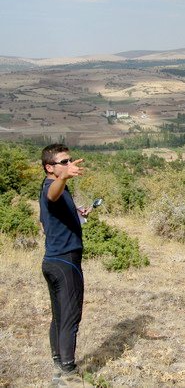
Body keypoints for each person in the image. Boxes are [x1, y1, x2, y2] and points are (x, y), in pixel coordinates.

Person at [40, 143, 91, 386]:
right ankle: (69, 374)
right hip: (65, 260)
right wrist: (64, 178)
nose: (69, 165)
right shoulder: (52, 186)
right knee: (70, 316)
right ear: (49, 168)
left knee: (60, 316)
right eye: (63, 162)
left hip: (52, 260)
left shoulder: (54, 189)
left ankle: (59, 367)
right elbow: (53, 195)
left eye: (70, 161)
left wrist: (78, 213)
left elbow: (48, 216)